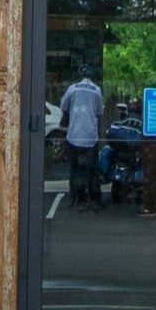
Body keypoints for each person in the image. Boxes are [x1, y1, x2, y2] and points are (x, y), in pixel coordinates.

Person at [62, 69, 105, 209]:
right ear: (91, 76)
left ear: (79, 75)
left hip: (74, 135)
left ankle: (77, 197)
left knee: (75, 168)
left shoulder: (72, 88)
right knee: (92, 170)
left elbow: (64, 106)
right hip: (90, 136)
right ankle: (94, 199)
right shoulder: (96, 90)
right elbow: (100, 112)